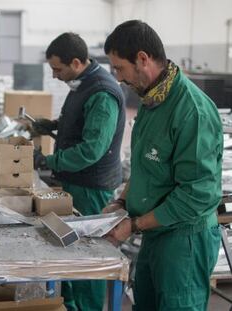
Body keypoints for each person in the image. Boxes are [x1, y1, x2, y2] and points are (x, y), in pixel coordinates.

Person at [103, 20, 222, 310]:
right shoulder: (151, 101)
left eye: (119, 68)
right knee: (145, 302)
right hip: (155, 233)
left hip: (184, 240)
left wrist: (134, 225)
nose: (117, 78)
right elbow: (145, 165)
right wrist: (121, 203)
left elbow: (197, 194)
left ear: (142, 59)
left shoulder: (191, 111)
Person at [33, 32, 126, 311]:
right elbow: (80, 122)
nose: (54, 75)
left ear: (75, 62)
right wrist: (52, 125)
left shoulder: (102, 92)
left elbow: (92, 149)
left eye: (57, 69)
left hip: (92, 188)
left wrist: (48, 161)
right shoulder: (82, 83)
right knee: (69, 252)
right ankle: (70, 306)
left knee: (87, 259)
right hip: (76, 183)